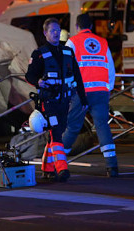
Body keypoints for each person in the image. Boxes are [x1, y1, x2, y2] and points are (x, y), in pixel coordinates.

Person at [25, 17, 87, 182]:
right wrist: (37, 81)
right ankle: (62, 169)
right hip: (49, 101)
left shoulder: (67, 51)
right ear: (45, 33)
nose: (56, 33)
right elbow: (29, 75)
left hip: (65, 101)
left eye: (58, 31)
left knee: (54, 134)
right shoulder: (39, 54)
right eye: (52, 30)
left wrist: (83, 98)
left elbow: (77, 77)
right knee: (56, 134)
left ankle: (48, 168)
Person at [63, 13, 119, 177]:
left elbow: (67, 68)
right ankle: (112, 165)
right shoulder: (102, 42)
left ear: (76, 26)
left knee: (73, 127)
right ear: (92, 26)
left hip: (80, 93)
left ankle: (57, 161)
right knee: (102, 126)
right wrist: (108, 88)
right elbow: (110, 68)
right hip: (101, 91)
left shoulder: (72, 42)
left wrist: (68, 88)